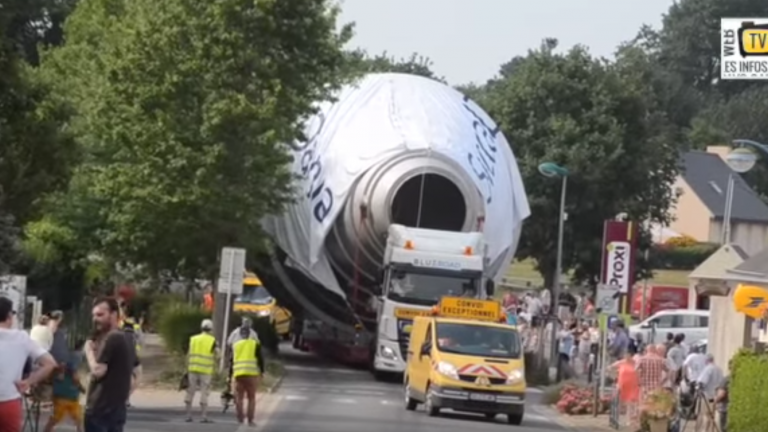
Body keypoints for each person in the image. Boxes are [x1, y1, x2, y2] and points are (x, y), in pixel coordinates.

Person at [0, 297, 58, 432]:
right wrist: (29, 382)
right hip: (10, 402)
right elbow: (50, 364)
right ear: (9, 316)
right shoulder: (22, 338)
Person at [83, 297, 138, 432]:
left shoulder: (112, 338)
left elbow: (98, 371)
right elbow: (137, 373)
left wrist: (88, 351)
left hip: (100, 411)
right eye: (94, 315)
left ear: (113, 314)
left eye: (100, 315)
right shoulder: (127, 338)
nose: (95, 319)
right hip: (117, 411)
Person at [43, 340, 86, 432]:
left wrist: (80, 386)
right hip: (65, 396)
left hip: (69, 396)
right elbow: (74, 375)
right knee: (60, 417)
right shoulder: (75, 357)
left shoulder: (68, 361)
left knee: (76, 418)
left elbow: (74, 376)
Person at [185, 319, 218, 423]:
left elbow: (188, 354)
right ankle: (203, 416)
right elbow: (218, 355)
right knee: (204, 392)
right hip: (206, 370)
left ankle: (188, 415)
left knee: (190, 391)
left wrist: (187, 367)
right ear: (211, 329)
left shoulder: (193, 339)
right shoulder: (212, 340)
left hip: (192, 369)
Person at [231, 326, 264, 426]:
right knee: (251, 398)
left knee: (239, 397)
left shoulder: (236, 345)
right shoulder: (255, 344)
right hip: (251, 375)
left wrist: (230, 375)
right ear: (249, 334)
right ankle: (250, 420)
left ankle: (240, 418)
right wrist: (262, 372)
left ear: (240, 335)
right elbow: (260, 359)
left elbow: (231, 361)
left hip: (239, 374)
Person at [695, 354, 724, 432]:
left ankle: (704, 430)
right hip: (715, 396)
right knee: (711, 416)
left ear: (706, 361)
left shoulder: (708, 369)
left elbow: (702, 381)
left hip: (706, 395)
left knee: (704, 415)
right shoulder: (719, 369)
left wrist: (697, 389)